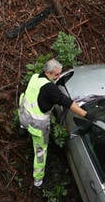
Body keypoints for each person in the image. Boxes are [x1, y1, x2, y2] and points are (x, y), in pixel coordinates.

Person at [18, 58, 88, 188]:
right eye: (56, 75)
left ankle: (22, 128)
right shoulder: (50, 89)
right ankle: (37, 181)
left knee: (23, 97)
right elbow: (67, 103)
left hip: (23, 116)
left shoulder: (34, 77)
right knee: (40, 152)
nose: (58, 77)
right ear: (48, 73)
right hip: (37, 126)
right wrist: (86, 114)